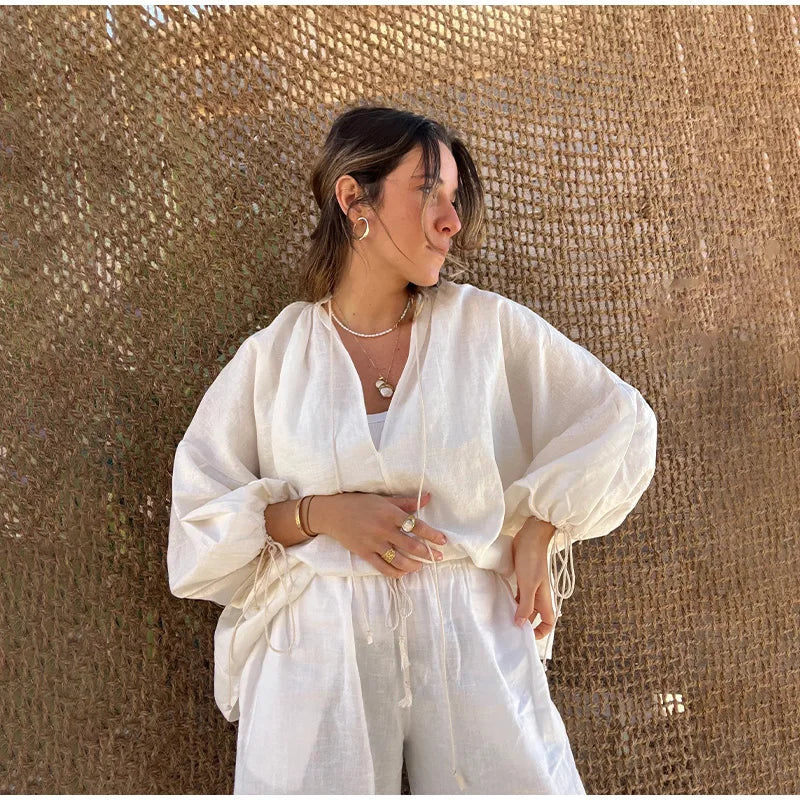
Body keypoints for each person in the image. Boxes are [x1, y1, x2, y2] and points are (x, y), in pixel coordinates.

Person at [167, 105, 658, 794]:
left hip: (471, 634)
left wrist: (542, 528)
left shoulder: (484, 329)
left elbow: (621, 420)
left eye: (454, 198)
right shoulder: (275, 357)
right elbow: (198, 521)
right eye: (428, 192)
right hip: (316, 649)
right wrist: (319, 514)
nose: (451, 220)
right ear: (354, 199)